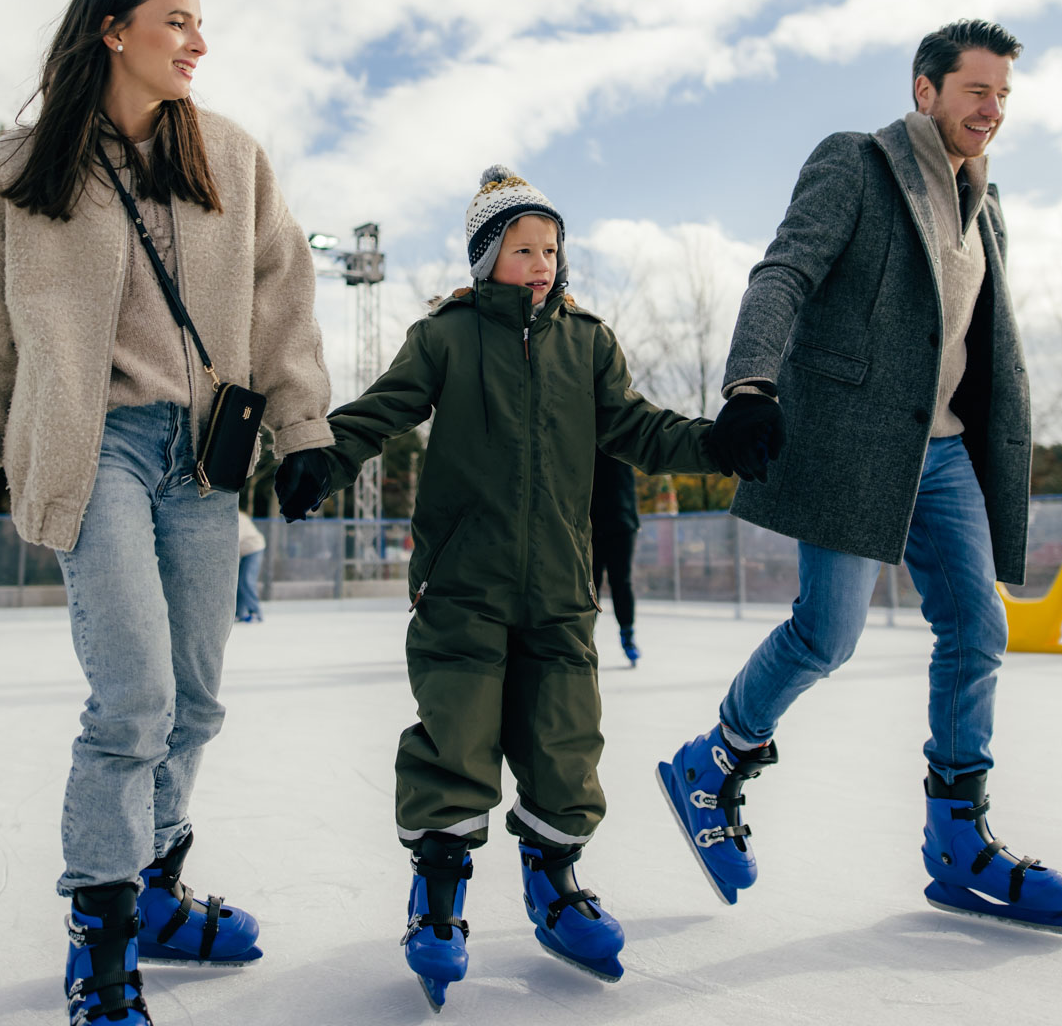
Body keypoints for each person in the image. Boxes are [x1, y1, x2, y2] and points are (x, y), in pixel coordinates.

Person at [0, 0, 334, 1026]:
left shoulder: (231, 158)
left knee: (194, 697)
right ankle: (99, 938)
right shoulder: (22, 166)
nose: (197, 41)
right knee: (134, 697)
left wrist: (304, 431)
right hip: (88, 448)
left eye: (202, 25)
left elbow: (283, 297)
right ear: (112, 29)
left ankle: (154, 886)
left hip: (202, 460)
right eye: (177, 21)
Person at [657, 19, 1062, 934]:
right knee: (828, 635)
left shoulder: (987, 200)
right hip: (857, 442)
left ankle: (958, 840)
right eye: (977, 91)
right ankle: (715, 760)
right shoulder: (858, 163)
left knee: (977, 626)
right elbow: (785, 271)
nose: (992, 110)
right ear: (925, 89)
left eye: (1004, 96)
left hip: (946, 451)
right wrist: (749, 382)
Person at [274, 168, 737, 1008]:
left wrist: (717, 443)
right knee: (455, 740)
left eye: (551, 248)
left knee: (567, 743)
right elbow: (384, 410)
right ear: (487, 257)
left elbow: (638, 428)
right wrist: (324, 453)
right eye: (522, 248)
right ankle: (440, 901)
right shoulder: (446, 336)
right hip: (462, 584)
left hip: (560, 586)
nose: (540, 263)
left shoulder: (588, 343)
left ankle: (554, 884)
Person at [591, 448, 642, 666]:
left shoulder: (621, 435)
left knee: (621, 582)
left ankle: (627, 635)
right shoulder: (581, 434)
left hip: (621, 521)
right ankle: (584, 635)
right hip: (591, 523)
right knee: (589, 583)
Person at [236, 508, 266, 622]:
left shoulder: (238, 517)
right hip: (245, 551)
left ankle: (256, 612)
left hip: (254, 549)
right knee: (239, 582)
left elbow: (236, 540)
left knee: (246, 581)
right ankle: (239, 613)